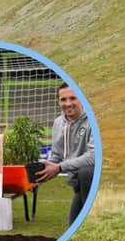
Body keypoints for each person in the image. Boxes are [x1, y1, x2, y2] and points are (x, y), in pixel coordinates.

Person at [36, 83, 94, 225]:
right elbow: (56, 155)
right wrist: (41, 174)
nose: (68, 104)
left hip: (93, 182)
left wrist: (59, 167)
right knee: (73, 225)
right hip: (78, 184)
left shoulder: (92, 121)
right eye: (63, 100)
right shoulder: (58, 123)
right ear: (58, 101)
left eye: (72, 98)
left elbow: (94, 156)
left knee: (86, 171)